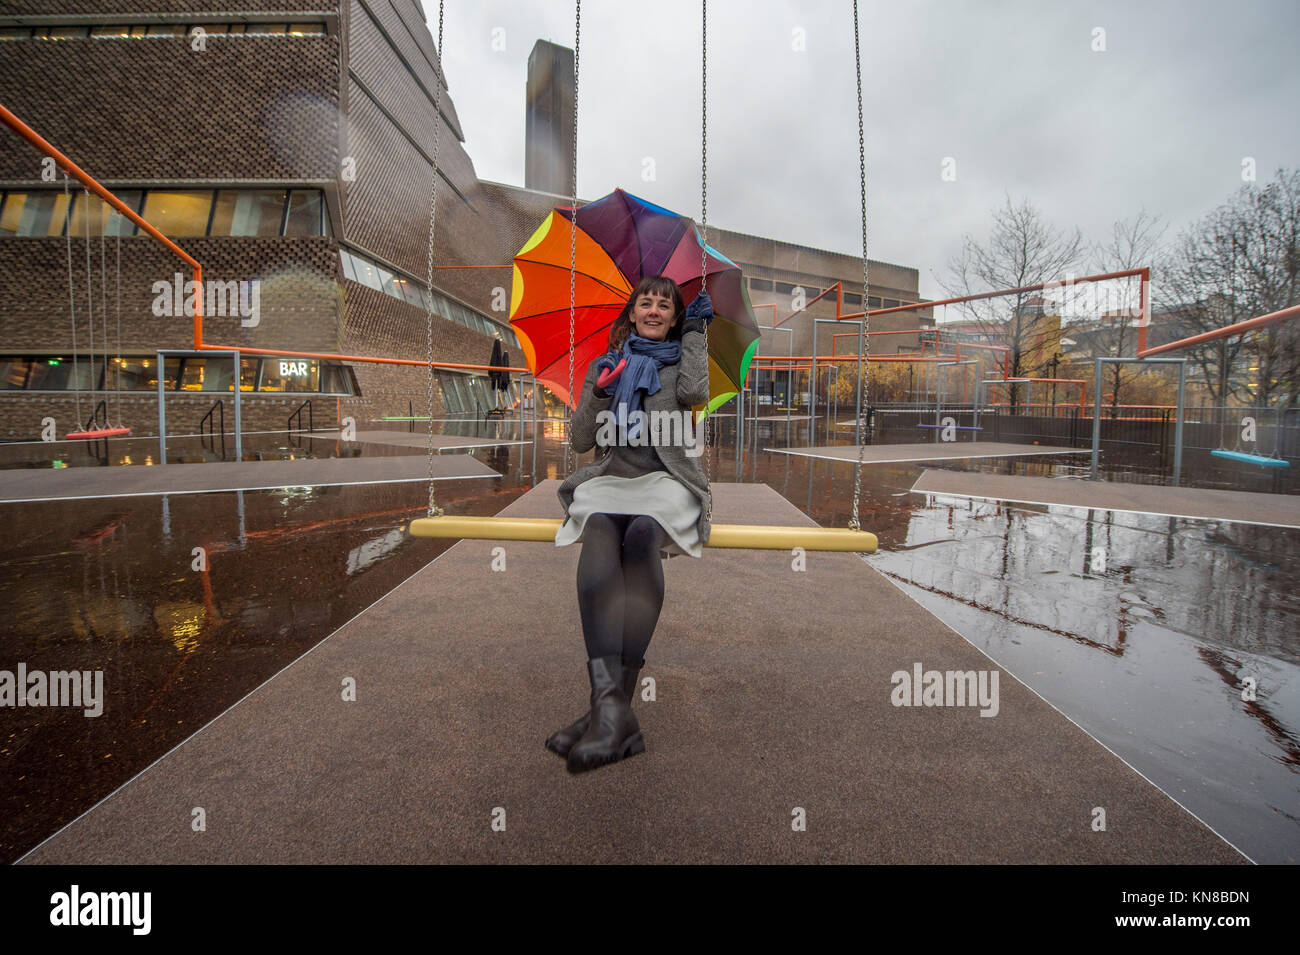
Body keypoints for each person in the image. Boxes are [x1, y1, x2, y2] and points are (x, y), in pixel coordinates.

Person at [550, 274, 714, 774]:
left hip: (666, 481)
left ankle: (608, 714)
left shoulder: (681, 359)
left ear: (673, 315)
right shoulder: (606, 363)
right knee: (598, 528)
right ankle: (614, 713)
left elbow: (694, 393)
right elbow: (580, 441)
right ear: (632, 312)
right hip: (613, 477)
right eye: (646, 302)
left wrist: (694, 336)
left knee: (642, 533)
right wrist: (600, 391)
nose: (654, 310)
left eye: (665, 305)